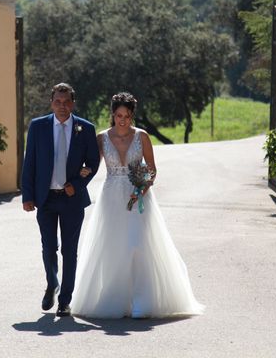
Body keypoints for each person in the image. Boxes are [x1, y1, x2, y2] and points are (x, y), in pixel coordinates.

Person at [71, 92, 204, 319]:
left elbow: (151, 169)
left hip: (138, 197)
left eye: (128, 116)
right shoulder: (101, 138)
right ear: (113, 114)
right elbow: (92, 165)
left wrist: (141, 190)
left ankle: (142, 301)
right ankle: (116, 299)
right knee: (114, 248)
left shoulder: (142, 136)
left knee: (137, 246)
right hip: (111, 198)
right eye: (119, 115)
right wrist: (83, 171)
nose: (123, 120)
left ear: (132, 116)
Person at [21, 83, 100, 317]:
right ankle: (52, 283)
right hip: (45, 199)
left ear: (73, 103)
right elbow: (30, 163)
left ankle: (65, 301)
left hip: (72, 200)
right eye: (58, 101)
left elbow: (92, 163)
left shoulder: (85, 129)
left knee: (69, 250)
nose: (62, 106)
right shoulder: (38, 127)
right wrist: (28, 196)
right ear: (51, 102)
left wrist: (75, 185)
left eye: (66, 102)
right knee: (48, 247)